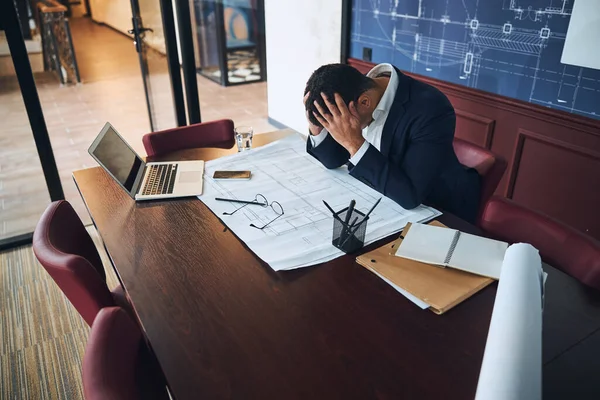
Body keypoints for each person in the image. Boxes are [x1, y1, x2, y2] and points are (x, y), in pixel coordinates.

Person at [304, 63, 481, 223]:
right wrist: (317, 126)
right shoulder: (354, 89)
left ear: (365, 102)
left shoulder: (431, 109)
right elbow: (333, 160)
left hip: (437, 211)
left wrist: (354, 143)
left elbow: (410, 196)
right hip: (381, 199)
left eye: (336, 123)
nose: (337, 127)